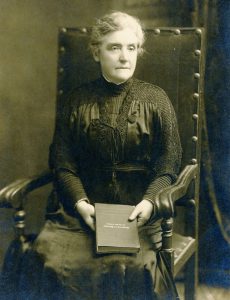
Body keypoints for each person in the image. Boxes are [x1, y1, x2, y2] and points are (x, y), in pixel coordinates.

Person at [18, 11, 182, 300]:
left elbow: (168, 163)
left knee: (132, 267)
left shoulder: (156, 99)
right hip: (82, 214)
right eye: (114, 47)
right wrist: (80, 203)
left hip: (136, 214)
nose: (124, 57)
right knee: (51, 260)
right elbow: (62, 162)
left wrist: (148, 202)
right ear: (96, 52)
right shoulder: (76, 100)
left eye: (131, 48)